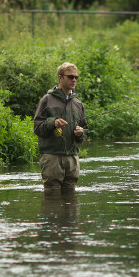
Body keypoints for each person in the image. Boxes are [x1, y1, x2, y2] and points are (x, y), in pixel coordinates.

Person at [33, 62, 88, 195]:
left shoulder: (78, 104)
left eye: (76, 77)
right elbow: (37, 127)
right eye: (70, 77)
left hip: (72, 158)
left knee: (71, 196)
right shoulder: (47, 100)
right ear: (60, 77)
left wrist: (81, 133)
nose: (74, 80)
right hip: (52, 156)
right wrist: (53, 123)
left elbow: (84, 130)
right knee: (52, 195)